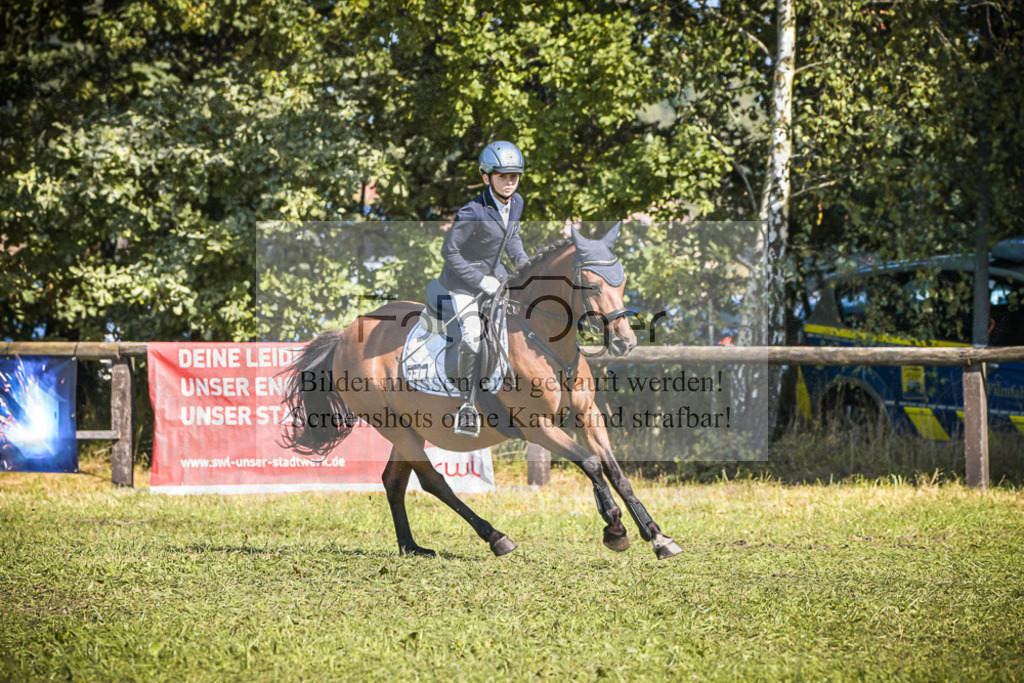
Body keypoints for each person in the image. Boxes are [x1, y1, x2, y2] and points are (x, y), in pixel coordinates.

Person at [438, 141, 530, 436]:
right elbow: (449, 252)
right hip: (462, 282)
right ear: (486, 177)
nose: (510, 181)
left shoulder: (516, 202)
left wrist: (526, 268)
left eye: (514, 176)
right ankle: (467, 405)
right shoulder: (473, 211)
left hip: (497, 277)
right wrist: (480, 280)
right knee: (473, 334)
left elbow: (512, 239)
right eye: (503, 176)